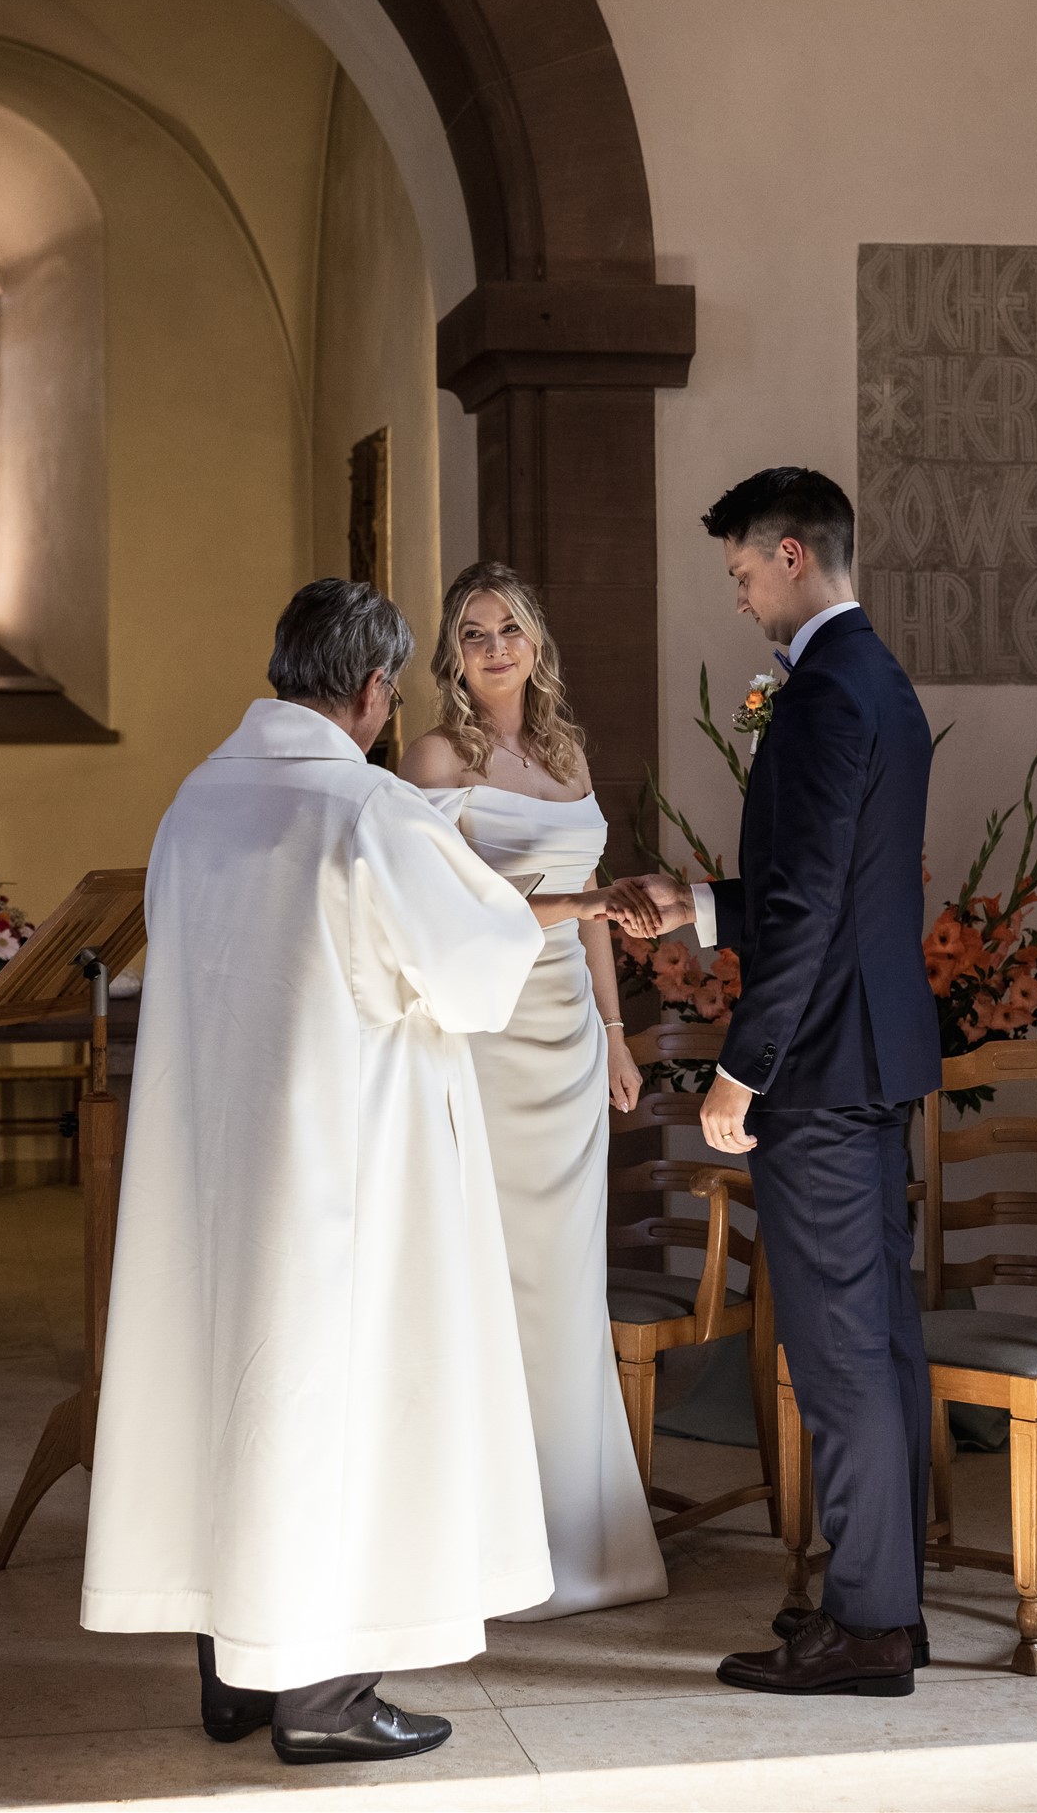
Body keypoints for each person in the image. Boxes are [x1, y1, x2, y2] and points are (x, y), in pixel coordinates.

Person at [80, 579, 635, 1767]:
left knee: (223, 1394)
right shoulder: (364, 807)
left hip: (209, 1164)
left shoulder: (199, 798)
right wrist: (592, 908)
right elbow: (473, 957)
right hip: (340, 1169)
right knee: (340, 1406)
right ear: (379, 689)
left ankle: (235, 1674)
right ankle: (324, 1694)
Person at [625, 467, 940, 1698]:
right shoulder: (878, 681)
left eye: (745, 572)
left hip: (815, 1066)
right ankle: (883, 1607)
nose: (742, 594)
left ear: (795, 553)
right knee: (876, 1341)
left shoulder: (818, 695)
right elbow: (840, 890)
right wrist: (699, 904)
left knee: (839, 1347)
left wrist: (741, 1073)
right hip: (870, 1052)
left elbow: (812, 907)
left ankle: (865, 1628)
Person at [400, 561, 669, 1619]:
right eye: (473, 633)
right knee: (492, 1276)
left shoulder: (565, 753)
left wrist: (614, 1034)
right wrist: (582, 900)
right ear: (451, 656)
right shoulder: (432, 756)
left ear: (536, 642)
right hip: (487, 1032)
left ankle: (585, 1538)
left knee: (565, 1283)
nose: (495, 646)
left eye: (509, 628)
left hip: (563, 1040)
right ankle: (487, 1539)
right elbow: (435, 909)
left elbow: (598, 915)